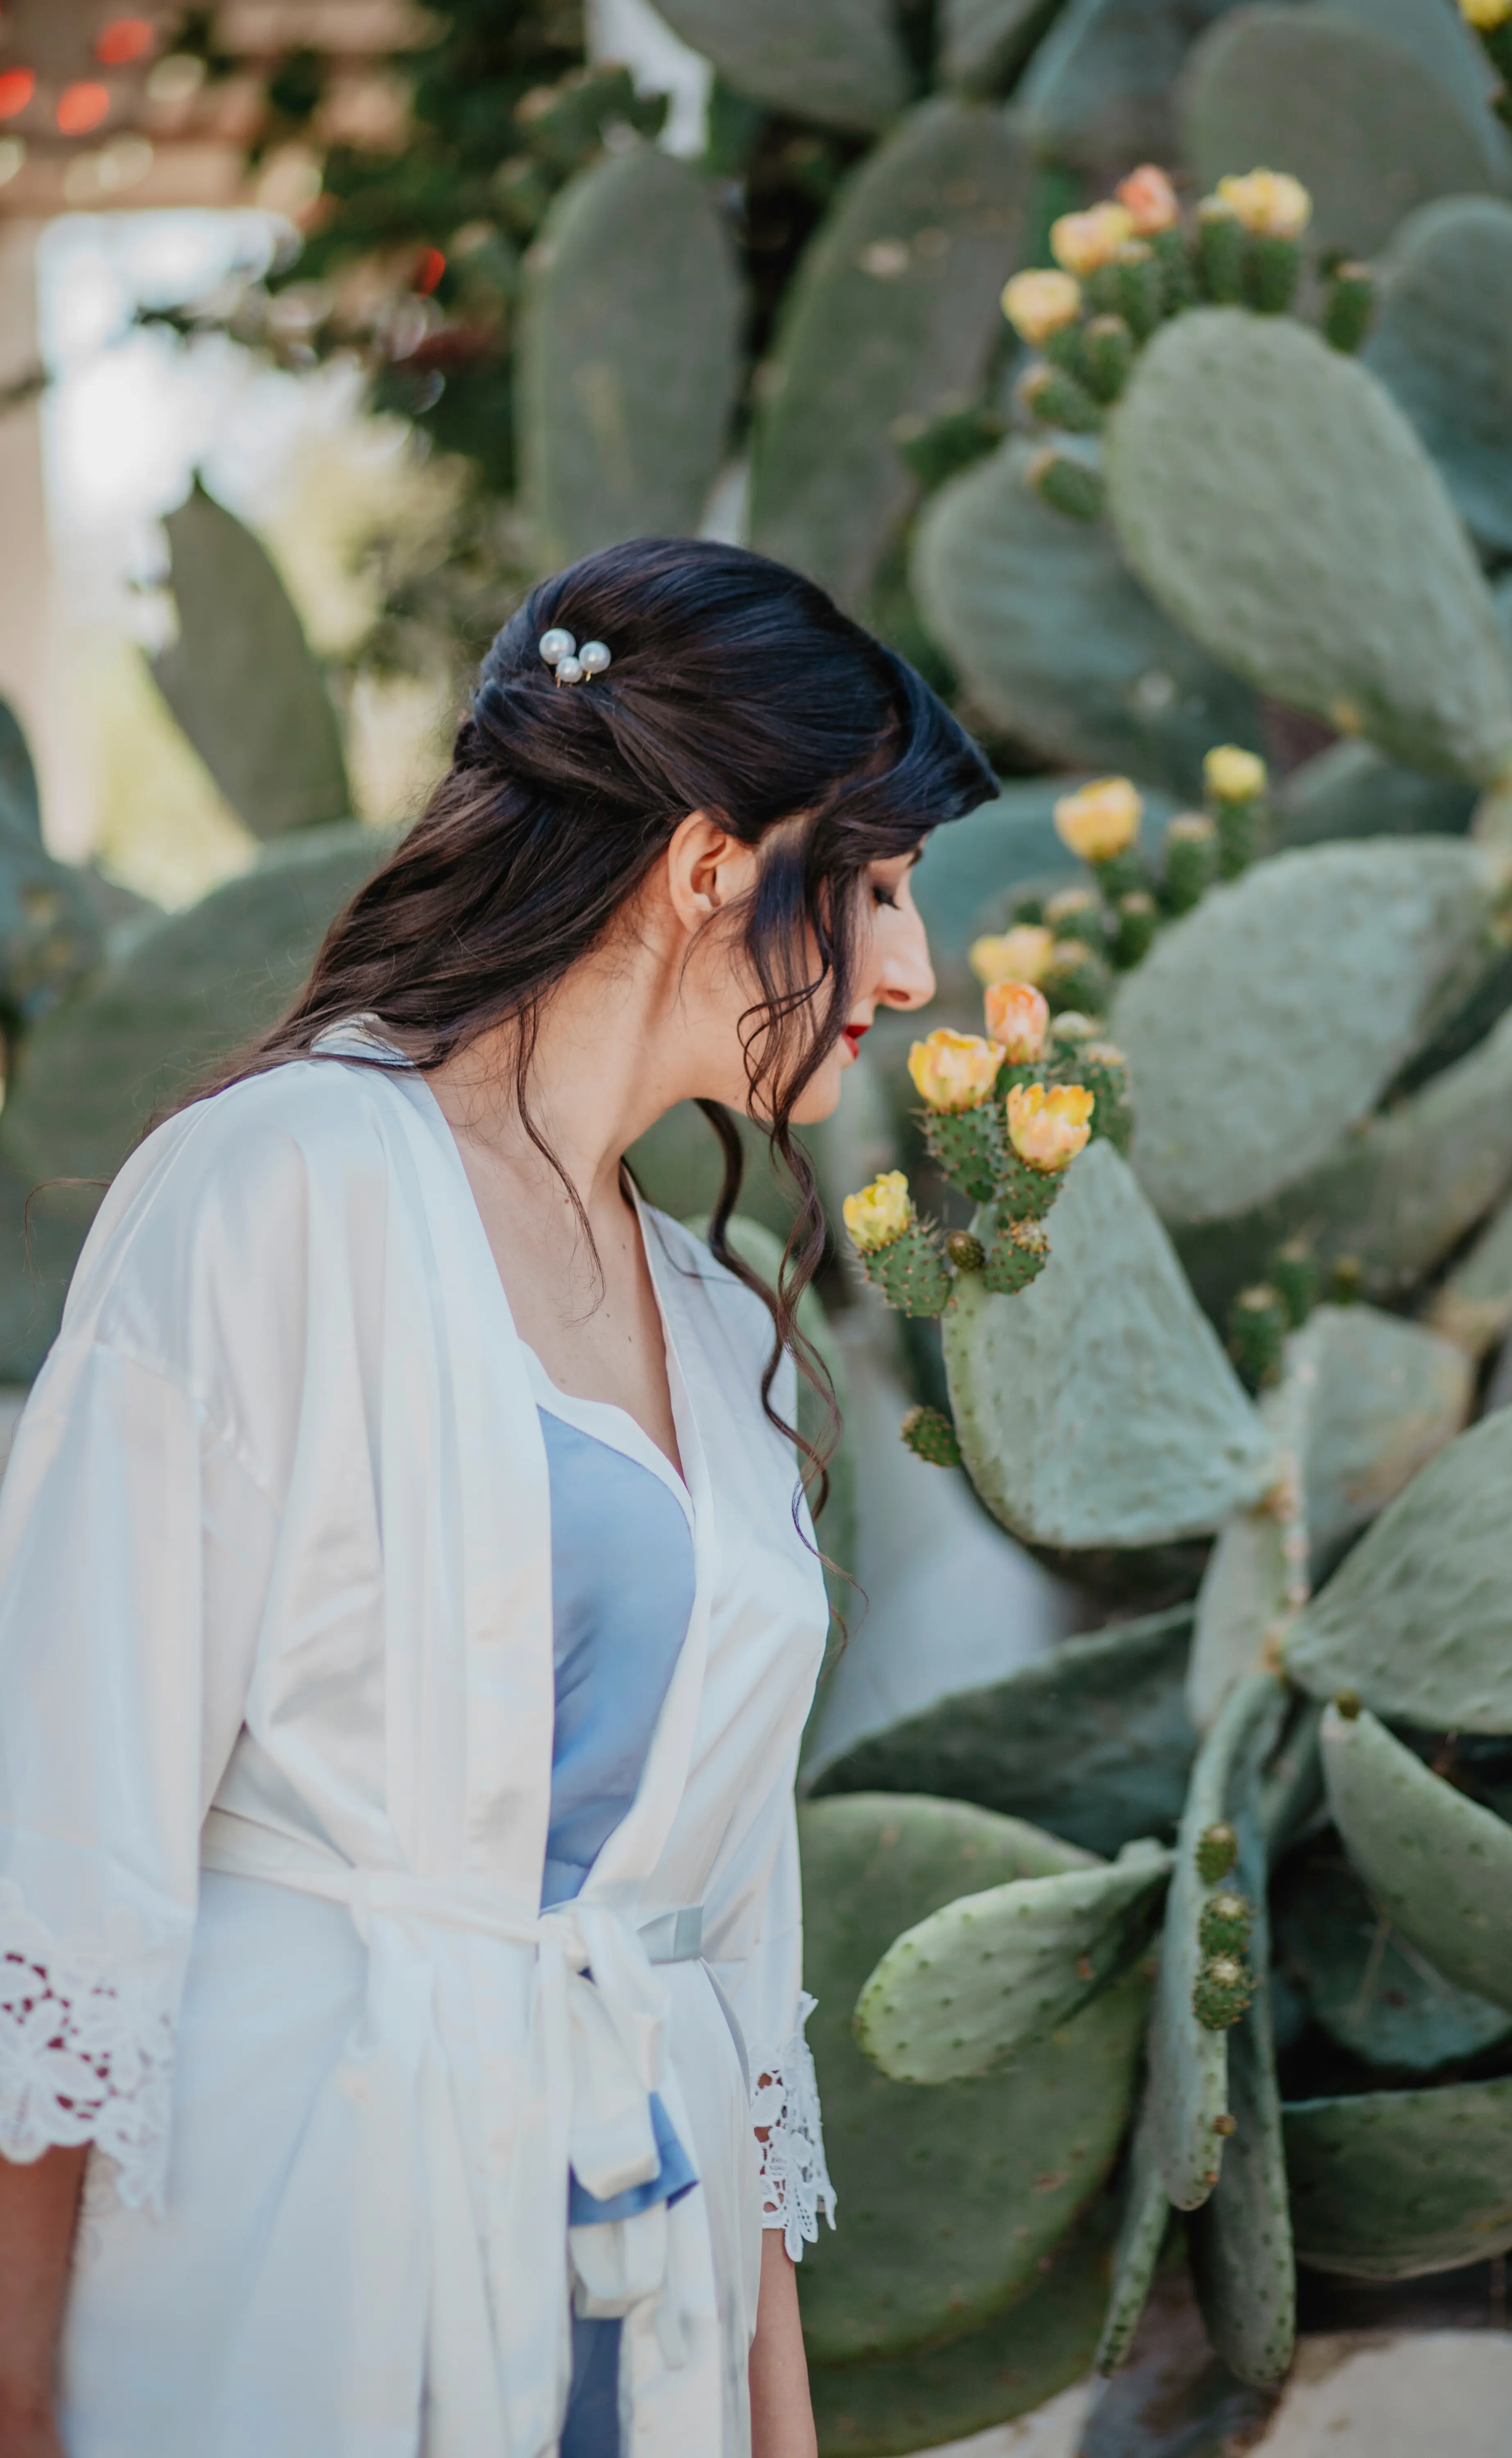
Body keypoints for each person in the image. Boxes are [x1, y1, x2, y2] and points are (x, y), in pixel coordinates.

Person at [0, 535, 997, 2458]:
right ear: (712, 862)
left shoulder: (713, 1324)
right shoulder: (280, 1187)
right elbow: (60, 1874)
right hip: (289, 2257)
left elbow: (727, 1967)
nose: (911, 967)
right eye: (871, 885)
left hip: (636, 2281)